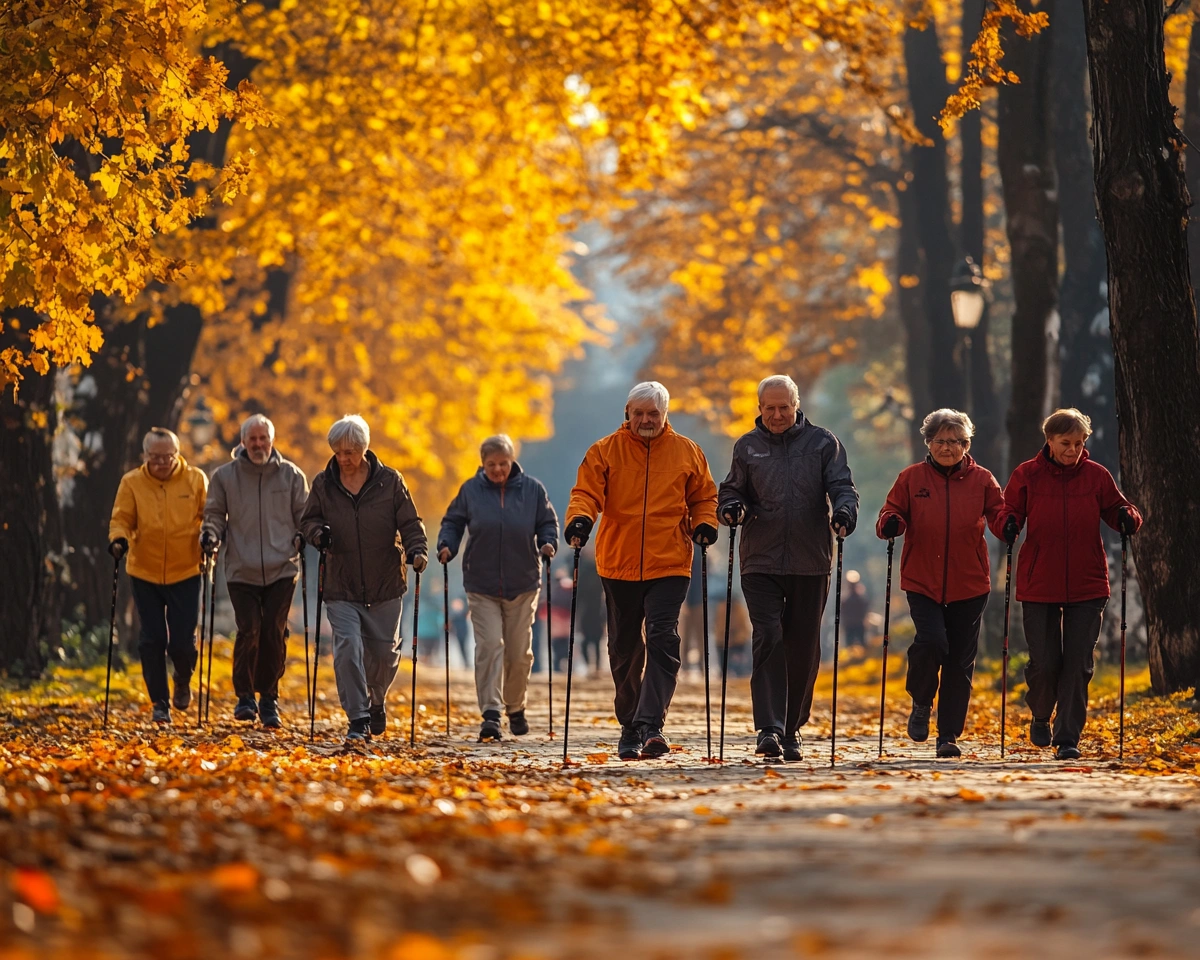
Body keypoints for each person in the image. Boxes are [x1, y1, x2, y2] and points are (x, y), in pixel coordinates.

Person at [564, 381, 718, 761]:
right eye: (639, 414)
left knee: (664, 637)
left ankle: (651, 726)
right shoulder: (604, 451)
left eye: (654, 414)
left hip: (670, 561)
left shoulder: (687, 452)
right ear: (627, 414)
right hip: (619, 562)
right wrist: (580, 520)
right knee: (624, 647)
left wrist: (705, 522)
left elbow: (704, 497)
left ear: (665, 415)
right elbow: (585, 493)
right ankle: (630, 725)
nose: (646, 420)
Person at [718, 374, 858, 762]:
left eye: (784, 407)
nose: (777, 415)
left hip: (810, 560)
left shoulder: (823, 443)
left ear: (796, 406)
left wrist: (845, 511)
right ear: (759, 408)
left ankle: (792, 727)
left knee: (803, 645)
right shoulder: (747, 446)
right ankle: (769, 728)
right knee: (768, 635)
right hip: (759, 559)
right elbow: (732, 489)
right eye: (770, 408)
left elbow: (842, 486)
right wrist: (731, 507)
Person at [1001, 408, 1141, 761]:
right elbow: (1007, 511)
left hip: (1087, 582)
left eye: (1079, 443)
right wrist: (1008, 525)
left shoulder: (1096, 476)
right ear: (1049, 440)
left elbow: (1119, 508)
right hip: (1039, 581)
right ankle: (1040, 712)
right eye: (1066, 443)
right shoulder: (1027, 474)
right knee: (1045, 663)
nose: (1073, 450)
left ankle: (1067, 738)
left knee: (1078, 664)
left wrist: (1127, 517)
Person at [877, 408, 1006, 758]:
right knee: (932, 641)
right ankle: (921, 700)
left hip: (970, 582)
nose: (947, 447)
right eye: (940, 441)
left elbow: (999, 513)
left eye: (955, 441)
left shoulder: (982, 479)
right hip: (922, 580)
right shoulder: (911, 478)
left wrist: (1007, 525)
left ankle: (948, 735)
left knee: (959, 662)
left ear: (966, 445)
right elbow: (890, 511)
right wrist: (890, 523)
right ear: (928, 443)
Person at [300, 415, 427, 742]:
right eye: (338, 452)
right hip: (341, 584)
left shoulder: (390, 481)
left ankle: (376, 700)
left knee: (384, 654)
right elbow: (308, 520)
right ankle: (357, 717)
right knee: (347, 648)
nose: (344, 459)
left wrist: (417, 550)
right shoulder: (324, 484)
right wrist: (318, 534)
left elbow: (410, 522)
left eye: (350, 452)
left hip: (385, 582)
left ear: (364, 449)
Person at [437, 434, 559, 742]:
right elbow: (452, 522)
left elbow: (547, 522)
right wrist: (447, 544)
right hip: (482, 583)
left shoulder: (532, 490)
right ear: (483, 464)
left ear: (512, 460)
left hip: (523, 583)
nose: (498, 469)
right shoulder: (470, 490)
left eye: (503, 463)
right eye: (491, 464)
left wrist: (548, 542)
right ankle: (491, 713)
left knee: (519, 653)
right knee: (490, 645)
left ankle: (515, 707)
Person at [201, 414, 308, 728]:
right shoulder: (225, 477)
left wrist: (306, 535)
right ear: (243, 442)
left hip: (282, 568)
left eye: (263, 439)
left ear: (272, 440)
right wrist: (210, 535)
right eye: (253, 439)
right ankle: (245, 696)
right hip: (241, 569)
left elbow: (305, 516)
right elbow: (214, 514)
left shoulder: (291, 476)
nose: (258, 444)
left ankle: (269, 698)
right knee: (249, 629)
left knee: (273, 631)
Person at [108, 428, 209, 725]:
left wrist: (210, 536)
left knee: (182, 642)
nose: (162, 462)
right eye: (156, 457)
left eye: (168, 456)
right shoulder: (132, 482)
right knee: (151, 639)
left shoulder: (195, 479)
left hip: (186, 570)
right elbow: (121, 519)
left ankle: (182, 678)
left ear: (177, 454)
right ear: (145, 455)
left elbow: (209, 516)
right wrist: (118, 539)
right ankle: (160, 703)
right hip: (145, 571)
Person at [841, 572, 868, 651]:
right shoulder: (859, 596)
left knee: (854, 645)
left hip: (854, 623)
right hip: (853, 623)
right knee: (852, 645)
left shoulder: (847, 598)